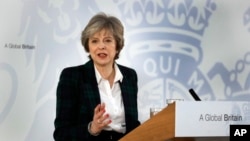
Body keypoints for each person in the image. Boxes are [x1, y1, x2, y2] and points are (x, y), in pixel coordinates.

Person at [53, 12, 141, 141]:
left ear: (117, 46)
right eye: (94, 41)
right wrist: (92, 128)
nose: (101, 46)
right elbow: (61, 134)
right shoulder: (72, 77)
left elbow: (133, 125)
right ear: (88, 46)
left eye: (108, 40)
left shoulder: (129, 76)